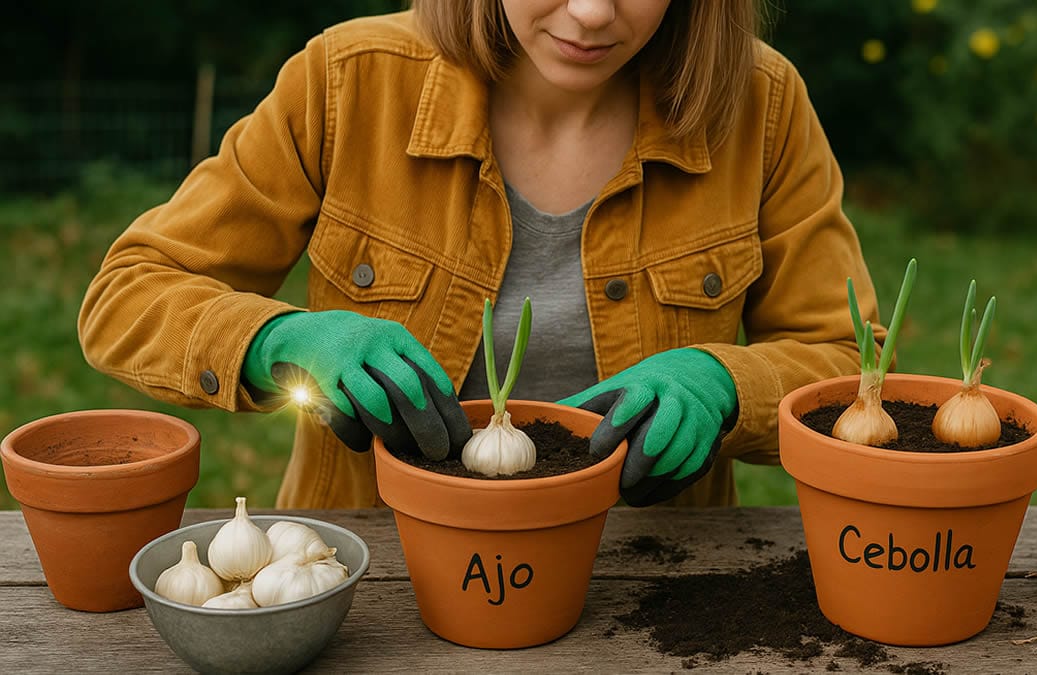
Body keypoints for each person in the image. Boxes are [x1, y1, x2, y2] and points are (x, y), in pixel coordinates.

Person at [78, 0, 883, 510]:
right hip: (376, 577)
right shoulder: (346, 82)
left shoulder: (761, 106)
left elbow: (848, 361)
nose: (593, 14)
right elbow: (128, 296)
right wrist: (282, 343)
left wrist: (725, 385)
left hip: (657, 588)